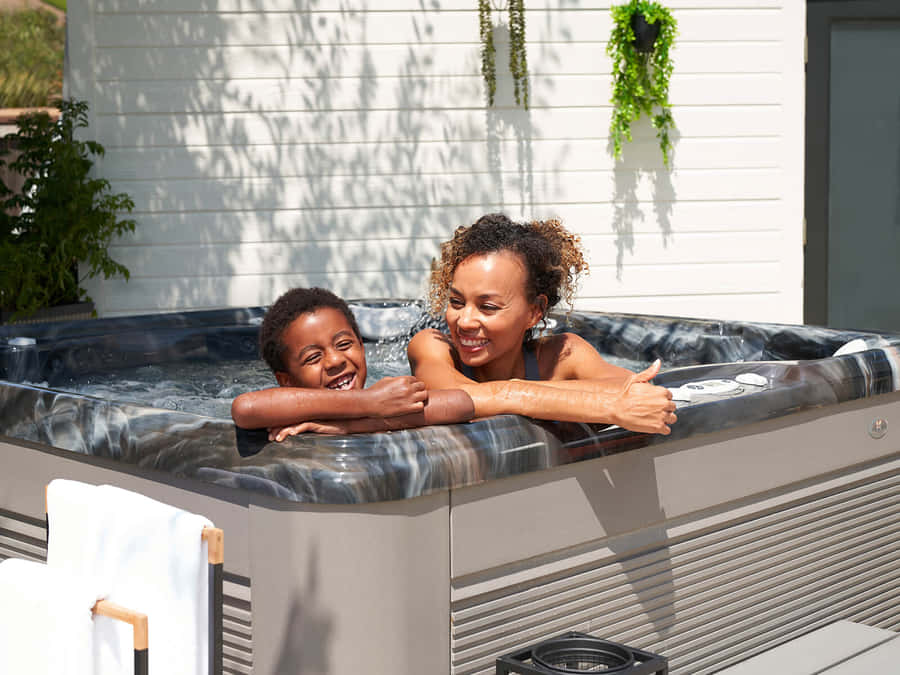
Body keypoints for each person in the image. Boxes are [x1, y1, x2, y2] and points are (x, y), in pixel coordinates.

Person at [407, 213, 677, 434]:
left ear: (534, 313)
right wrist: (601, 405)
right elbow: (458, 398)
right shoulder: (431, 346)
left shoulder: (564, 354)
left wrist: (518, 393)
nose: (464, 321)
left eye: (488, 307)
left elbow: (638, 393)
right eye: (456, 302)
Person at [231, 287, 474, 441]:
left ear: (361, 345)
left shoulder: (386, 399)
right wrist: (370, 402)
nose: (335, 360)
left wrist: (351, 425)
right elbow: (246, 409)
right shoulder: (379, 400)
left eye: (344, 344)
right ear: (286, 380)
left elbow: (461, 403)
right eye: (313, 358)